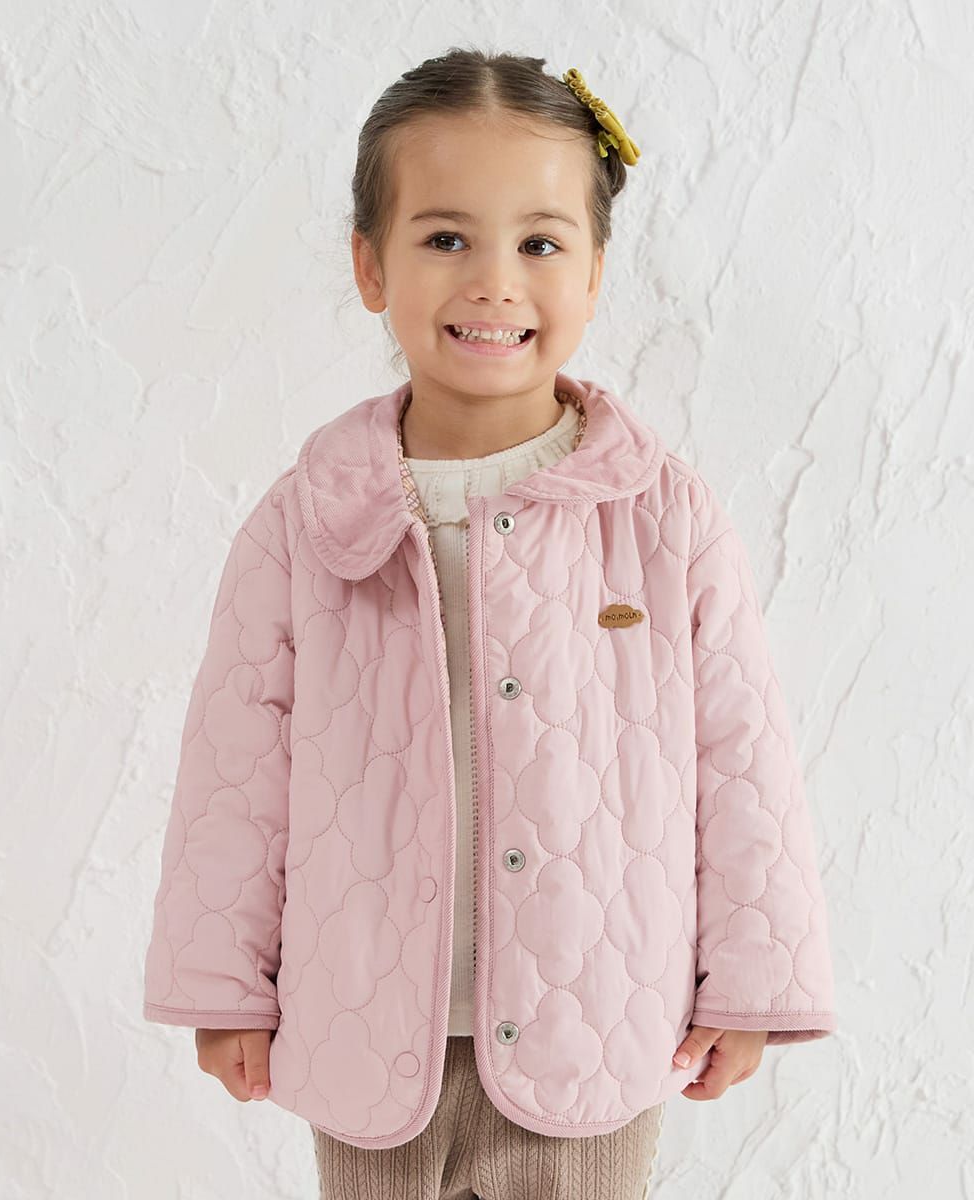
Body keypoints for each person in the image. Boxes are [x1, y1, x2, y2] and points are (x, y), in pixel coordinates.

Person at [141, 47, 838, 1200]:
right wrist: (222, 983)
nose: (494, 283)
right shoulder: (305, 518)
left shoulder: (662, 518)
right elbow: (236, 763)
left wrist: (753, 983)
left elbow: (741, 757)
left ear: (595, 272)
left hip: (595, 1022)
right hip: (364, 1023)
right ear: (370, 265)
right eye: (445, 238)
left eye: (540, 245)